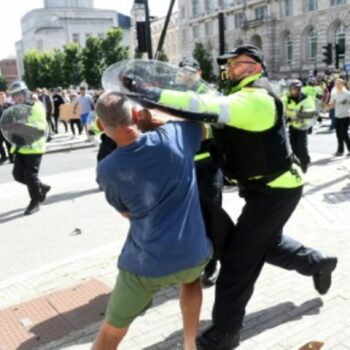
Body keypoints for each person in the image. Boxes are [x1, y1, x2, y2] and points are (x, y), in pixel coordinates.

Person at [130, 45, 337, 349]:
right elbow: (215, 130)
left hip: (277, 192)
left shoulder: (255, 98)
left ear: (254, 67)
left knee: (239, 263)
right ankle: (317, 262)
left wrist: (151, 92)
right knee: (262, 244)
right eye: (228, 65)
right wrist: (163, 126)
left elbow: (201, 105)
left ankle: (226, 332)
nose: (228, 69)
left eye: (235, 64)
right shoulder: (237, 96)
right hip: (263, 191)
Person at [92, 91, 212, 350]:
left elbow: (126, 213)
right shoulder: (176, 136)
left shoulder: (107, 169)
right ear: (136, 114)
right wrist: (155, 122)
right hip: (191, 254)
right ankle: (189, 343)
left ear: (101, 126)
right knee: (191, 280)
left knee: (110, 332)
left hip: (144, 266)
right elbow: (200, 129)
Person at [179, 57, 223, 286]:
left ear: (199, 73)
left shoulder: (209, 96)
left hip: (207, 167)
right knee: (188, 219)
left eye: (190, 72)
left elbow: (215, 128)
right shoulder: (175, 95)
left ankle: (212, 264)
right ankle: (194, 260)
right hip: (184, 168)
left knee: (210, 218)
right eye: (182, 73)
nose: (185, 76)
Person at [7, 80, 51, 215]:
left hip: (33, 147)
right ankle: (41, 188)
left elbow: (38, 126)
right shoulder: (17, 108)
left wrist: (22, 131)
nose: (16, 98)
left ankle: (35, 201)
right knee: (17, 175)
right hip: (21, 147)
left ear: (25, 93)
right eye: (14, 96)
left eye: (18, 95)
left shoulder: (35, 106)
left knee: (30, 175)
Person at [281, 79, 316, 173]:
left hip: (303, 126)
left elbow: (311, 113)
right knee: (293, 145)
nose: (293, 91)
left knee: (301, 145)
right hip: (292, 125)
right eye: (291, 89)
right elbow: (282, 105)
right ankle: (297, 163)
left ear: (299, 89)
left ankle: (305, 163)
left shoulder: (306, 99)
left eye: (295, 89)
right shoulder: (286, 98)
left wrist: (296, 116)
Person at [328, 78, 350, 156]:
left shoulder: (347, 94)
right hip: (337, 116)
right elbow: (331, 105)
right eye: (336, 84)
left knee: (344, 134)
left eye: (339, 83)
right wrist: (328, 106)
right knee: (338, 134)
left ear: (342, 84)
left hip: (346, 116)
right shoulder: (334, 94)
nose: (337, 85)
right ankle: (340, 150)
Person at [0, 91, 13, 164]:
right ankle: (3, 156)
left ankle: (11, 157)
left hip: (7, 129)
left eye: (3, 97)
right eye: (1, 97)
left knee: (9, 144)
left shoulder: (8, 106)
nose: (2, 98)